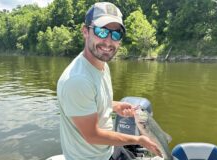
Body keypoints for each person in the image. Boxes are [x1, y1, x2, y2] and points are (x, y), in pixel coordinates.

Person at [56, 2, 161, 160]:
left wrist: (116, 105)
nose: (108, 41)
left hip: (107, 151)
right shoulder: (77, 80)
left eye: (116, 34)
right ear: (85, 31)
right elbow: (92, 136)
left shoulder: (102, 64)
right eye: (101, 31)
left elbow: (95, 100)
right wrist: (138, 140)